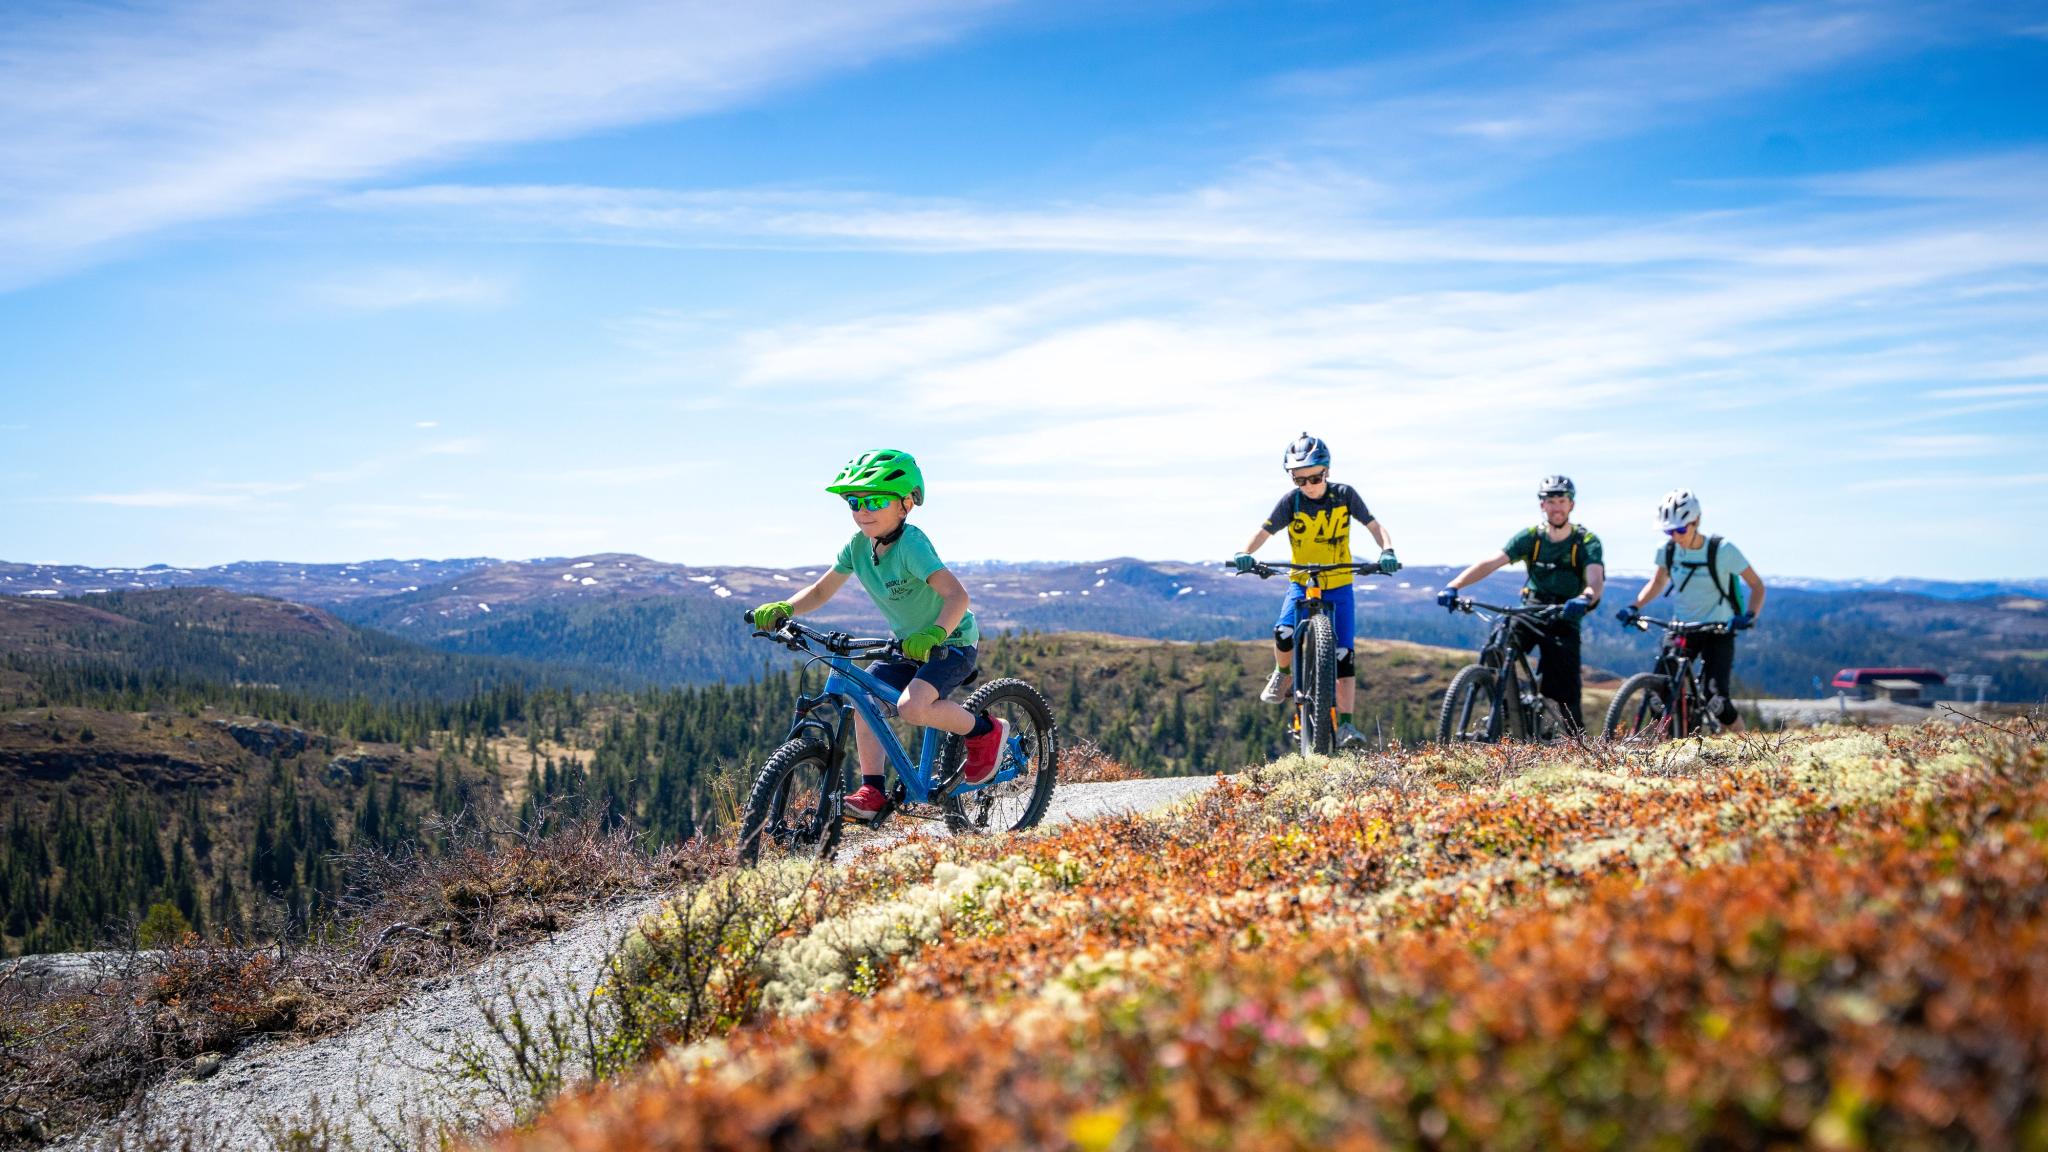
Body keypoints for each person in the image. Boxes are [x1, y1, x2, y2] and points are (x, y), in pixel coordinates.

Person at [749, 449, 1006, 820]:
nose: (862, 510)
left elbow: (957, 595)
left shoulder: (912, 545)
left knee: (913, 707)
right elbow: (822, 591)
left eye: (874, 500)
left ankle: (984, 730)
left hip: (951, 641)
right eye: (854, 501)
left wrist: (935, 633)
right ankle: (873, 790)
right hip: (907, 645)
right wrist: (786, 608)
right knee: (863, 704)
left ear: (905, 504)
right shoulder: (857, 546)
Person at [1232, 432, 1399, 748]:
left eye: (1315, 477)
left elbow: (1375, 526)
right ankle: (1283, 673)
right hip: (1302, 581)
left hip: (1338, 583)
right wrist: (1246, 552)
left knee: (1344, 656)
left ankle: (1347, 725)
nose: (1309, 485)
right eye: (1300, 479)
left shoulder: (1345, 496)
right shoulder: (1291, 502)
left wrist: (1387, 550)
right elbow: (1264, 531)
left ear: (1327, 471)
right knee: (1283, 633)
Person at [1434, 475, 1604, 733]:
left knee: (1565, 692)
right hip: (1532, 608)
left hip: (1565, 613)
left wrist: (1585, 598)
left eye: (1562, 501)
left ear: (1571, 505)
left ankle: (1574, 744)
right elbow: (1491, 563)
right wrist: (1454, 585)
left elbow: (1595, 579)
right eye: (1551, 501)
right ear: (1542, 506)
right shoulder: (1531, 538)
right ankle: (1505, 710)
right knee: (1497, 646)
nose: (1556, 507)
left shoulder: (1586, 541)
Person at [1614, 488, 1767, 732]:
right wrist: (1634, 606)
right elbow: (1657, 583)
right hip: (1682, 627)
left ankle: (1749, 748)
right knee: (1657, 694)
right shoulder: (1668, 550)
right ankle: (1665, 749)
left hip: (1718, 629)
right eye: (1669, 531)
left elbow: (1757, 586)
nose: (1675, 536)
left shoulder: (1723, 550)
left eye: (1681, 529)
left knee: (1717, 701)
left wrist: (1749, 616)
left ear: (1696, 521)